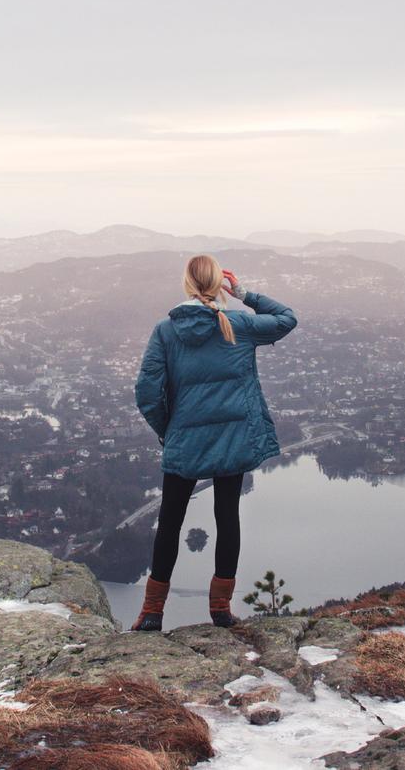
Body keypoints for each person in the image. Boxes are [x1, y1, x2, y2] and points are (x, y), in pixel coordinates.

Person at [131, 254, 298, 631]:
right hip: (232, 439)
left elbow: (147, 392)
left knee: (170, 521)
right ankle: (221, 610)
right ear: (216, 285)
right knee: (228, 518)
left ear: (188, 284)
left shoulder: (166, 331)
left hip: (185, 441)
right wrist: (244, 294)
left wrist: (168, 428)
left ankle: (152, 612)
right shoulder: (237, 323)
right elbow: (287, 318)